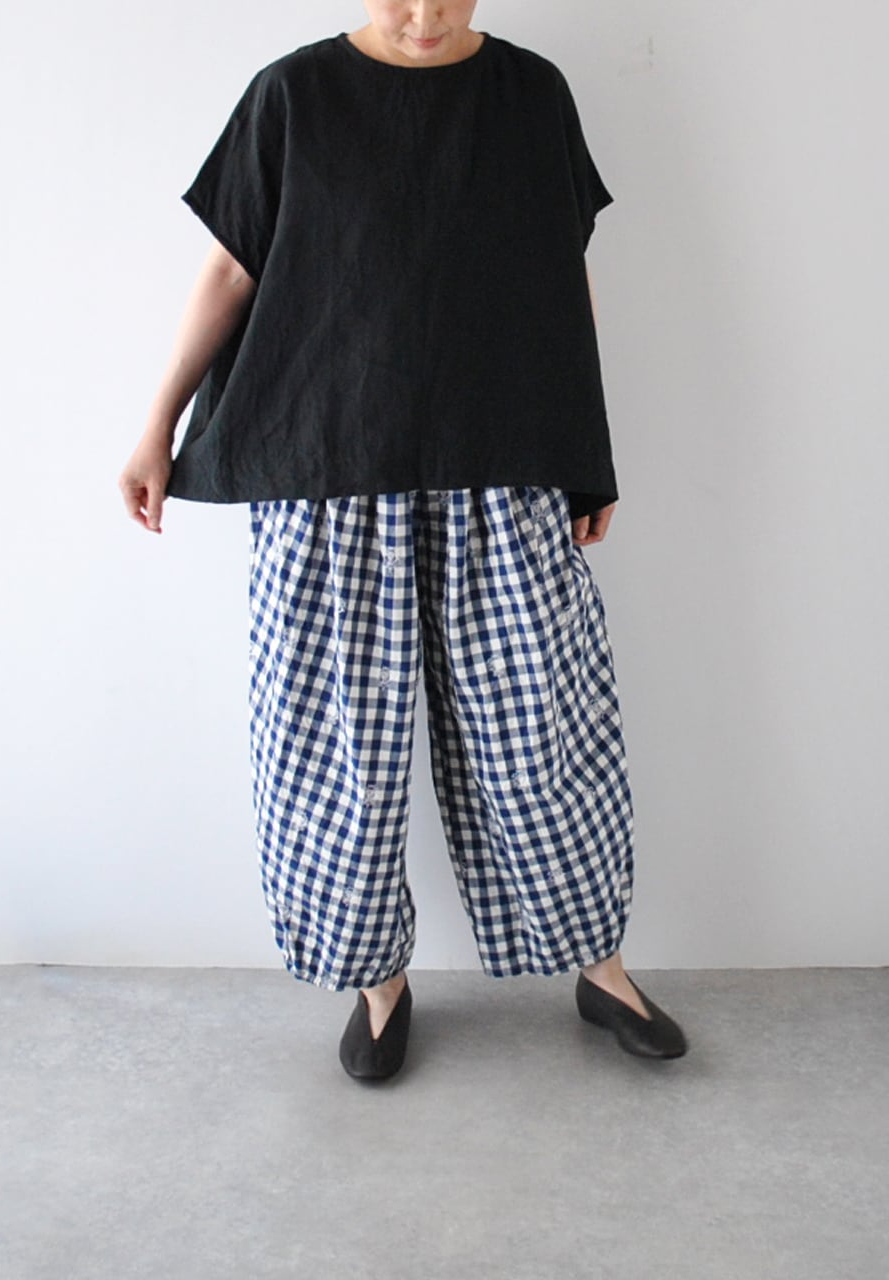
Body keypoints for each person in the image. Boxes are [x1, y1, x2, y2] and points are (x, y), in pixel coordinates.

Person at [118, 1, 688, 1079]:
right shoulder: (291, 97)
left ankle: (599, 965)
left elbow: (558, 286)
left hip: (500, 463)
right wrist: (158, 423)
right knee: (336, 755)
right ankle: (376, 983)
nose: (424, 15)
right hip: (325, 469)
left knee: (538, 731)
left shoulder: (529, 97)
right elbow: (231, 271)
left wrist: (587, 454)